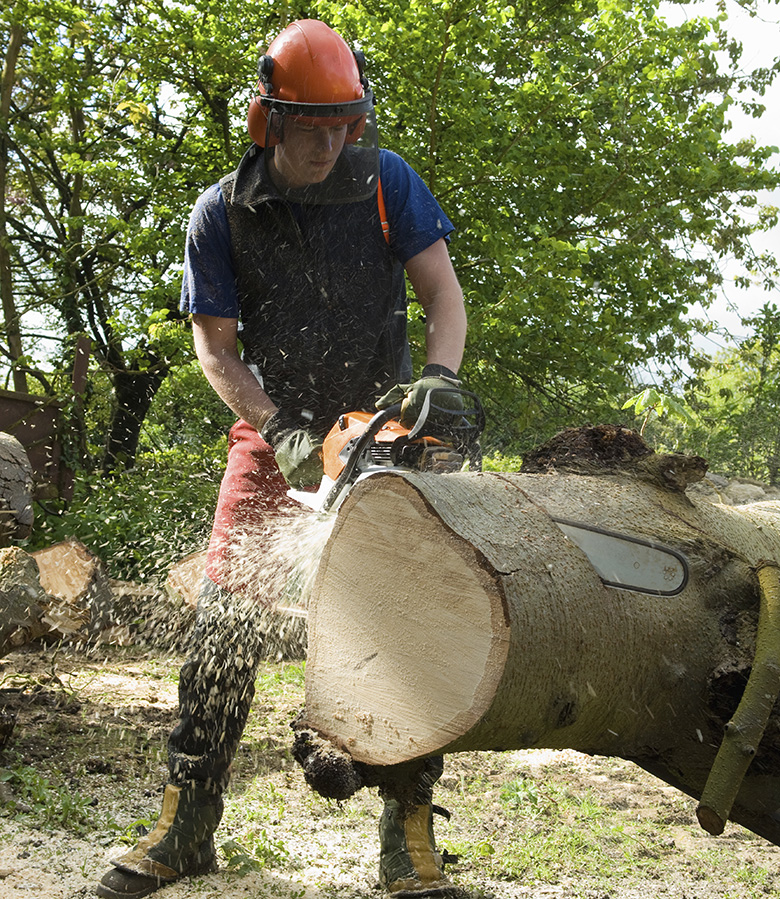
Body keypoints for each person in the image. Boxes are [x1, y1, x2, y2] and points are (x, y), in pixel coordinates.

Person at [96, 18, 468, 899]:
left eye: (343, 123)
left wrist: (439, 382)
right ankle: (186, 825)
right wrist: (283, 428)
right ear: (269, 117)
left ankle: (407, 834)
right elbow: (217, 352)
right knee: (225, 619)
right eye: (311, 125)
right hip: (272, 433)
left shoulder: (387, 184)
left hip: (381, 429)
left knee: (413, 621)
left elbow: (443, 294)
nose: (328, 141)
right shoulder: (222, 211)